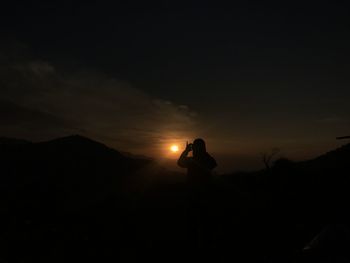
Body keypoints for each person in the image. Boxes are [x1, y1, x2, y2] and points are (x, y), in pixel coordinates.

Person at [177, 138, 217, 247]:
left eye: (196, 146)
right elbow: (213, 164)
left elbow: (180, 162)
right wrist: (202, 152)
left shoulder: (192, 161)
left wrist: (186, 151)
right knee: (203, 222)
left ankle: (194, 244)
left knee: (193, 222)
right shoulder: (205, 159)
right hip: (204, 194)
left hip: (194, 195)